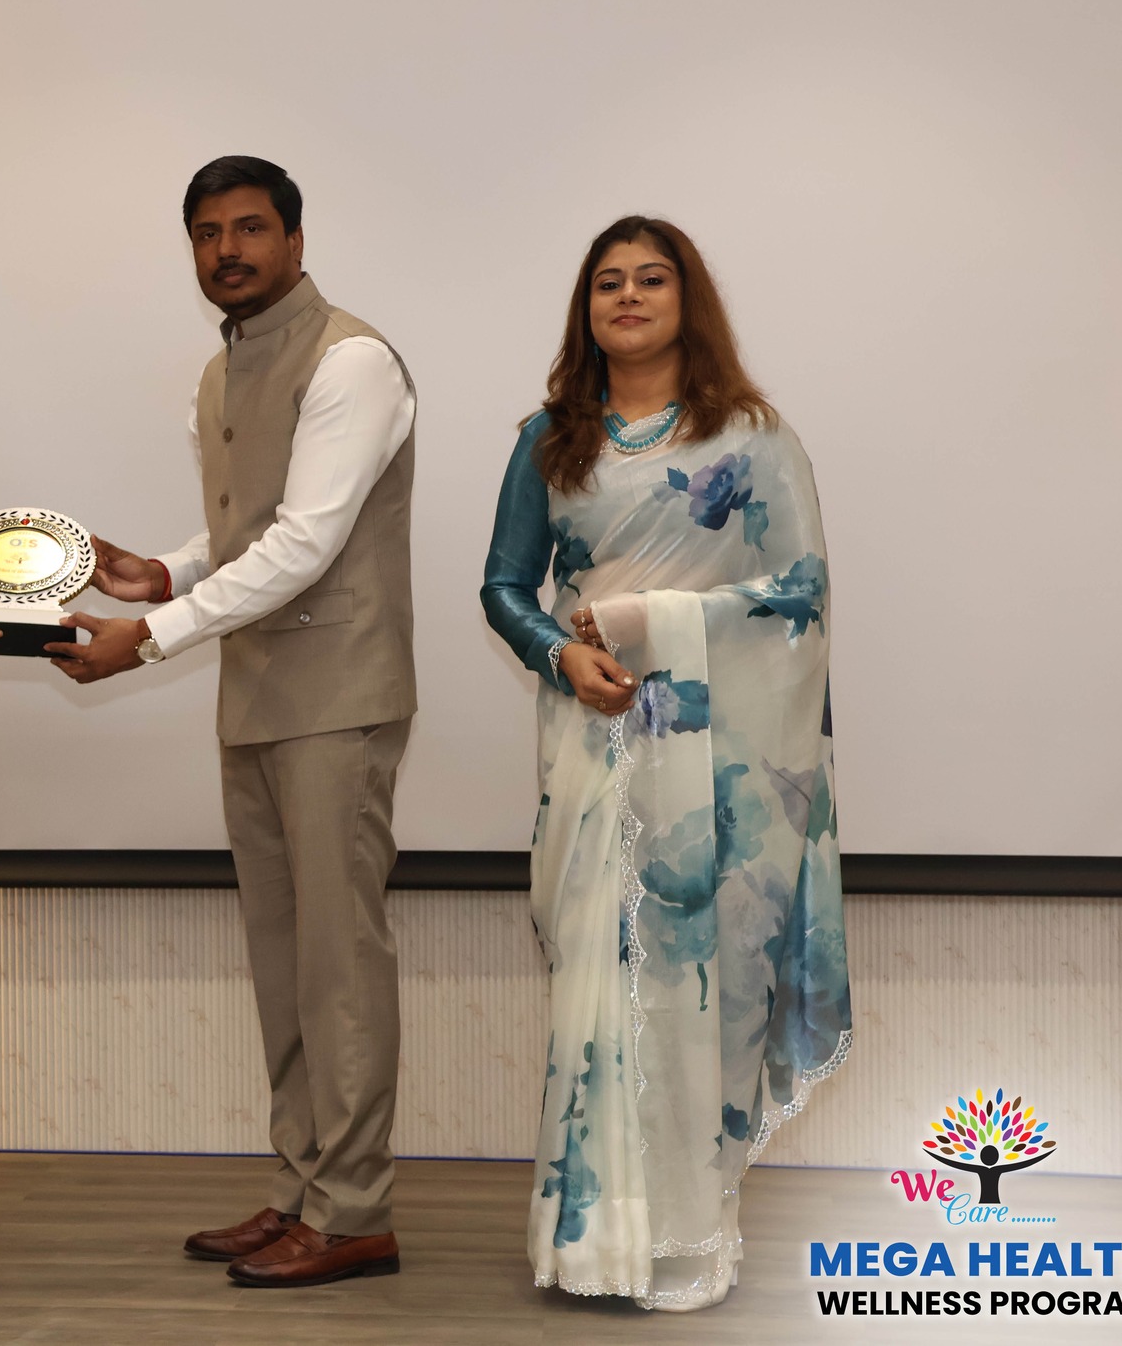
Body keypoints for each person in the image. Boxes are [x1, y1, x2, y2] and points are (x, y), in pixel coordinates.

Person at [49, 156, 416, 1288]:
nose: (228, 251)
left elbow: (307, 541)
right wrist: (161, 575)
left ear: (296, 241)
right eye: (207, 234)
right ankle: (303, 1188)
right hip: (256, 698)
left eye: (250, 228)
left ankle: (353, 1211)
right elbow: (249, 533)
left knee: (337, 965)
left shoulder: (352, 359)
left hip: (337, 700)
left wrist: (149, 636)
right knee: (284, 962)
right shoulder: (218, 373)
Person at [480, 216, 852, 1311]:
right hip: (593, 742)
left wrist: (648, 617)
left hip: (718, 765)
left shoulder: (751, 437)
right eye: (608, 282)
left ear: (688, 301)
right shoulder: (548, 438)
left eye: (651, 279)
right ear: (585, 307)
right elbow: (503, 585)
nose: (629, 297)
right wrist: (559, 655)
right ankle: (591, 1243)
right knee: (598, 979)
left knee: (703, 981)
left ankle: (688, 1239)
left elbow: (800, 592)